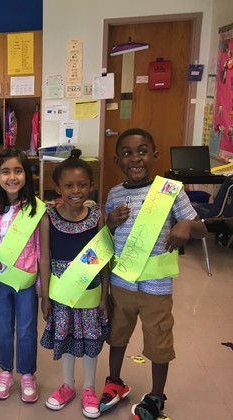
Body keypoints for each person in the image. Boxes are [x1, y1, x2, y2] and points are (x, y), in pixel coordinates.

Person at [101, 128, 207, 420]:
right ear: (117, 159)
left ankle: (157, 396)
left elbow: (201, 228)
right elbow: (106, 237)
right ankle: (115, 382)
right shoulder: (114, 194)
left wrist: (186, 226)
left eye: (143, 151)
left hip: (156, 288)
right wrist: (109, 221)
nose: (136, 158)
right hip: (121, 283)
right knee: (117, 334)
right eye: (127, 153)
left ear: (155, 155)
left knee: (159, 341)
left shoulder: (170, 190)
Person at [39, 150, 111, 419]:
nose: (76, 190)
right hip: (61, 294)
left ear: (90, 186)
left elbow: (104, 260)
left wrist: (105, 296)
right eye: (68, 185)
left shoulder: (97, 217)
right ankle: (68, 385)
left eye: (82, 185)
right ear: (58, 188)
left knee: (91, 340)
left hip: (91, 293)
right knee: (66, 339)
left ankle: (90, 389)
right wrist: (44, 296)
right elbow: (44, 258)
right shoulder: (49, 218)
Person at [0, 148, 48, 404]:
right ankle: (5, 372)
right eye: (6, 171)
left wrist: (42, 284)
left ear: (26, 175)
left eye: (18, 171)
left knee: (28, 329)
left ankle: (28, 373)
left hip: (27, 281)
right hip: (0, 281)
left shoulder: (36, 209)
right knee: (3, 328)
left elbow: (42, 249)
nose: (12, 177)